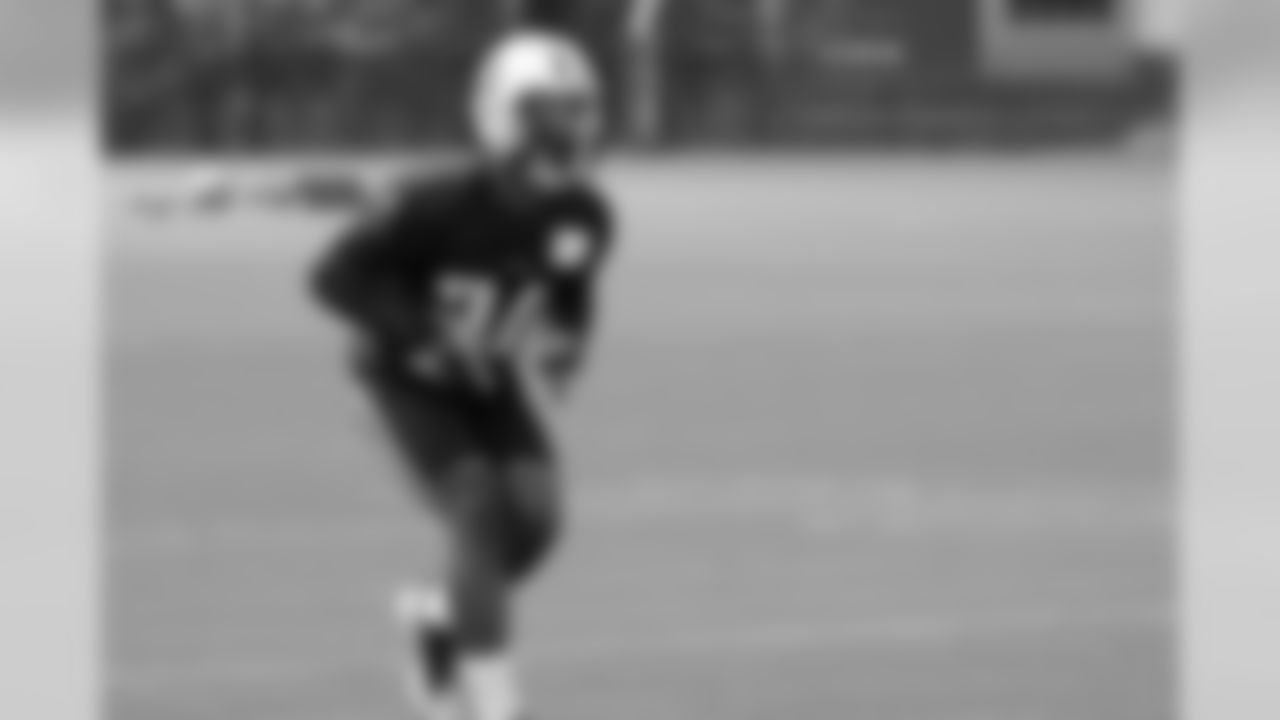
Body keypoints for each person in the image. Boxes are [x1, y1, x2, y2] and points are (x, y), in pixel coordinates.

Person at [309, 18, 613, 720]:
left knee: (537, 522)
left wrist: (568, 344)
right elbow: (332, 277)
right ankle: (494, 705)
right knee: (477, 505)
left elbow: (572, 289)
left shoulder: (583, 213)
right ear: (502, 113)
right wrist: (417, 335)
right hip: (402, 379)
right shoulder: (436, 202)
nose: (566, 129)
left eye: (576, 111)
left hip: (487, 382)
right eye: (547, 112)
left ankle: (437, 612)